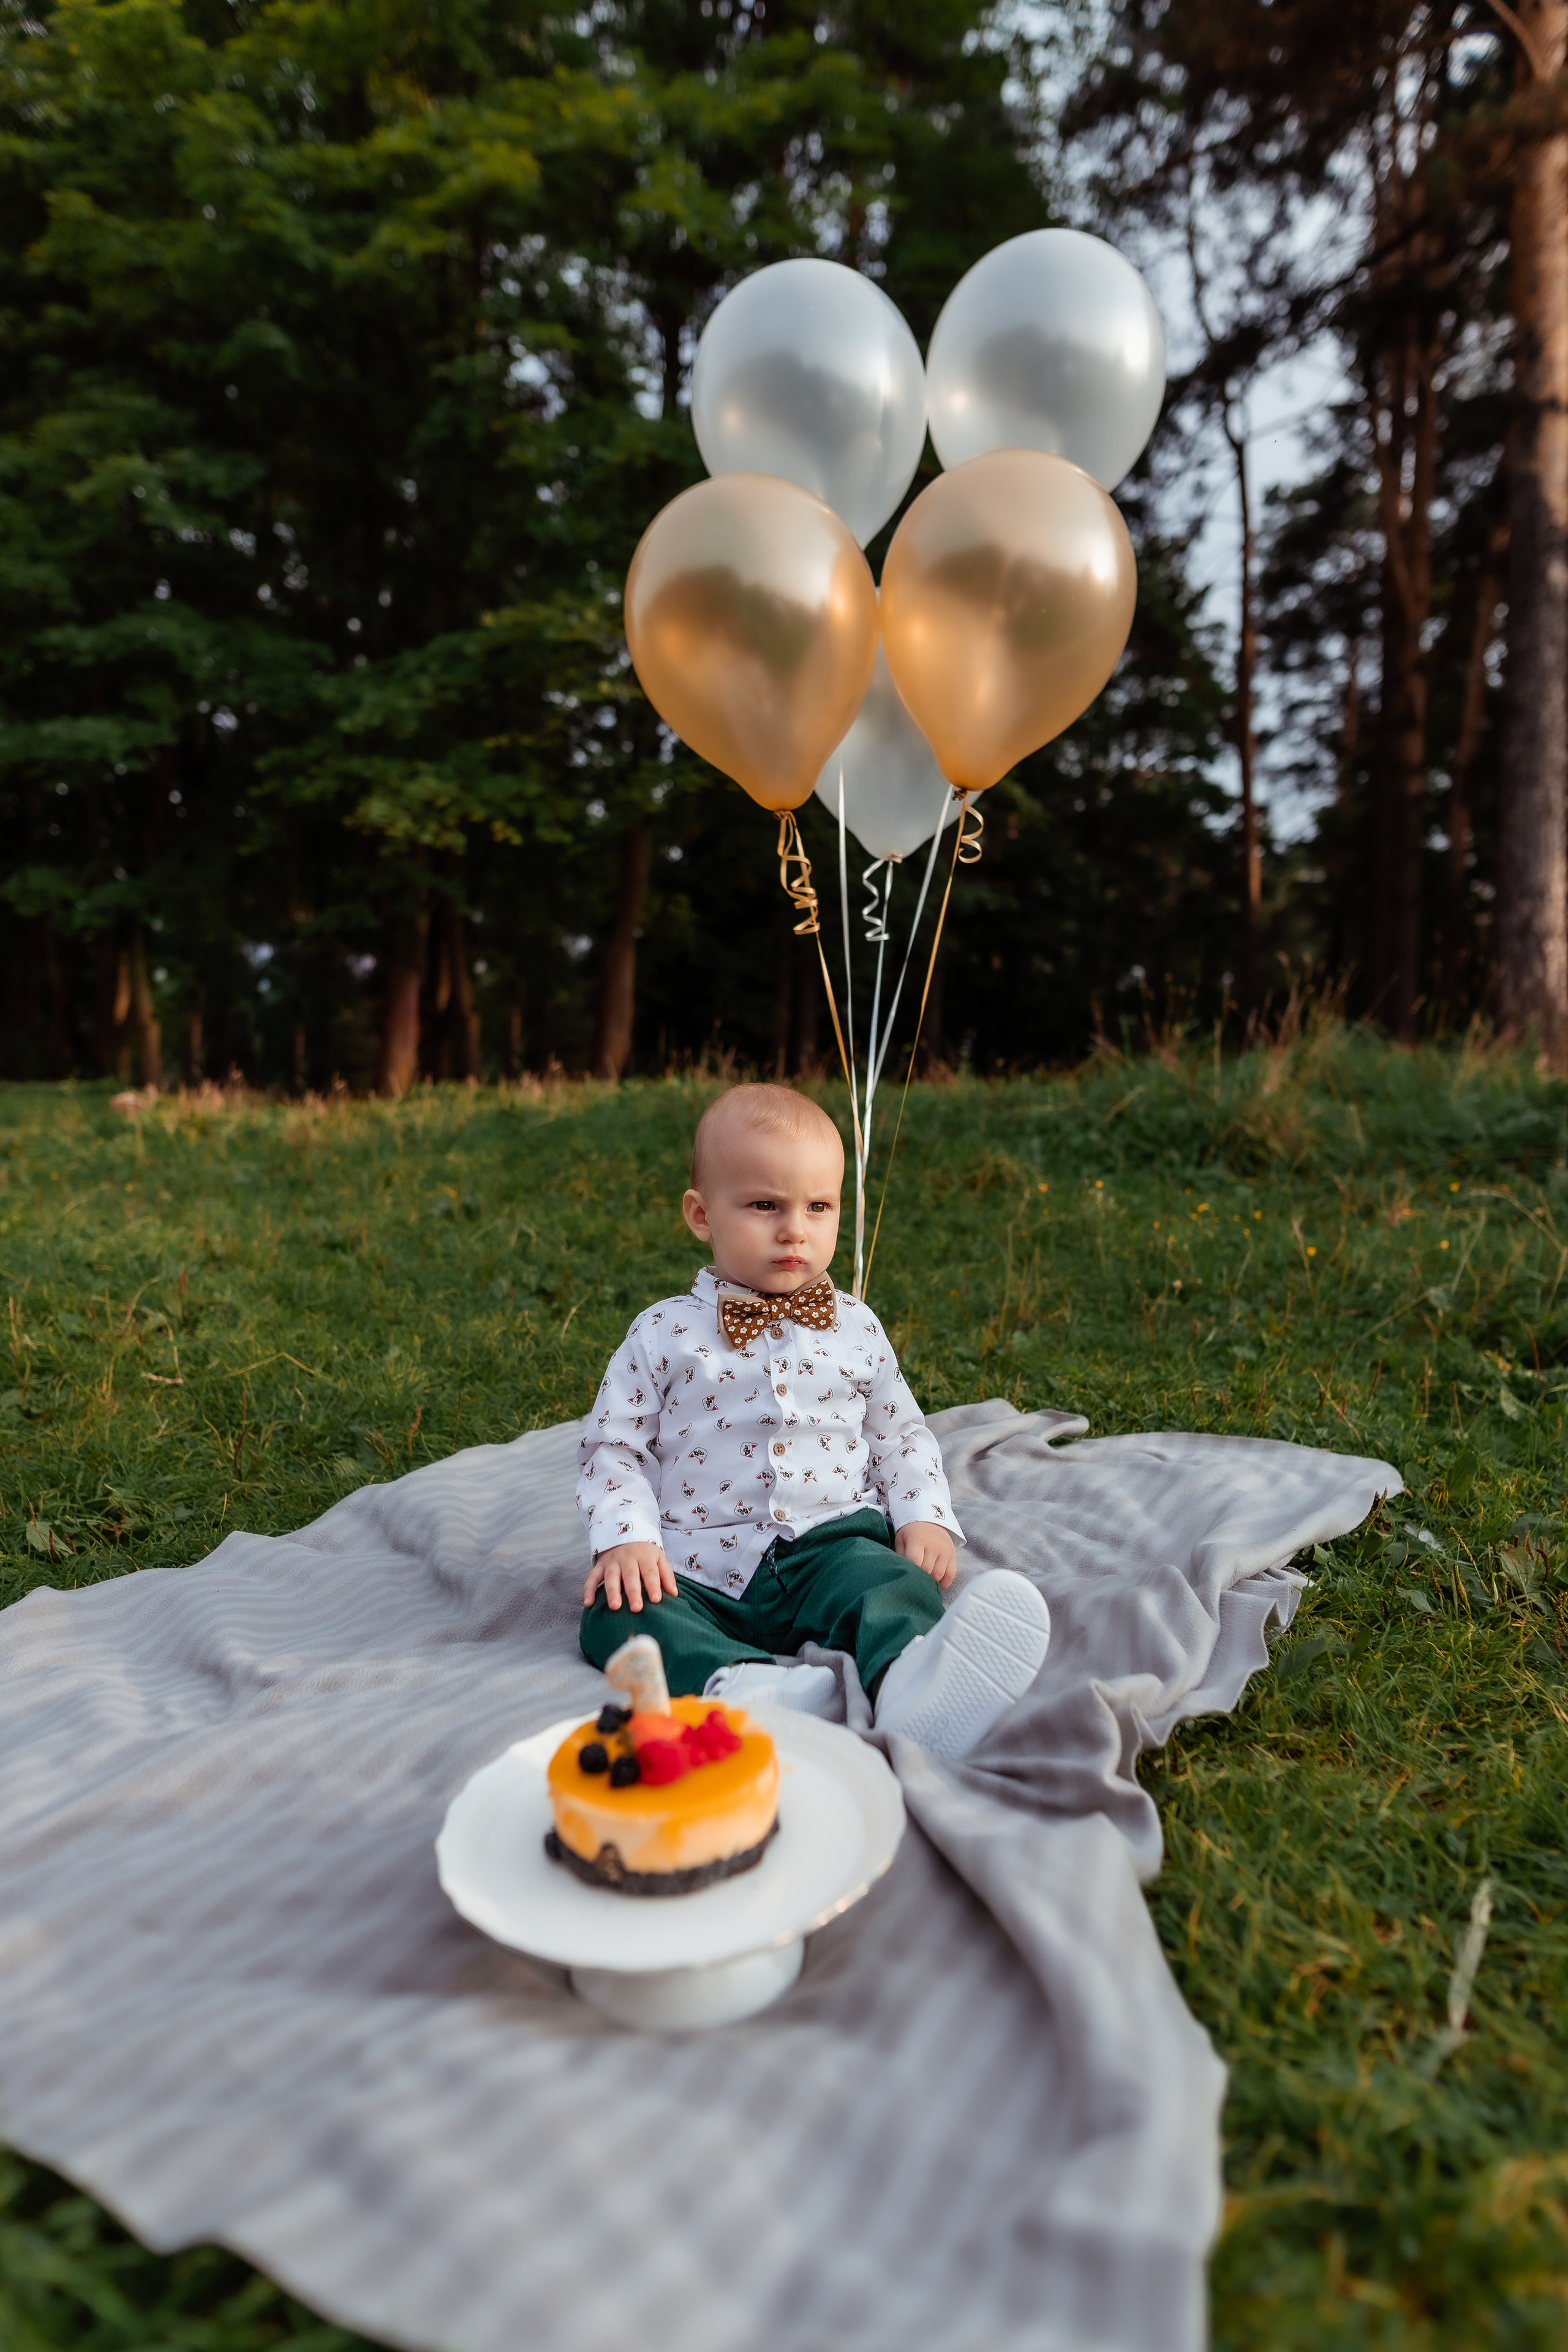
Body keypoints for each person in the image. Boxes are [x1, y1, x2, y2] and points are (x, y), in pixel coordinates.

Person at [575, 1082, 1050, 1762]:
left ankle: (912, 1682)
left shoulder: (856, 1326)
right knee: (616, 1613)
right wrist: (626, 1540)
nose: (795, 1229)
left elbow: (898, 1433)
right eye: (765, 1205)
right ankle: (741, 1688)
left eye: (818, 1206)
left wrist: (922, 1514)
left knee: (890, 1582)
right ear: (701, 1214)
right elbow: (613, 1447)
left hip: (827, 1543)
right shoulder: (662, 1334)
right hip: (695, 1564)